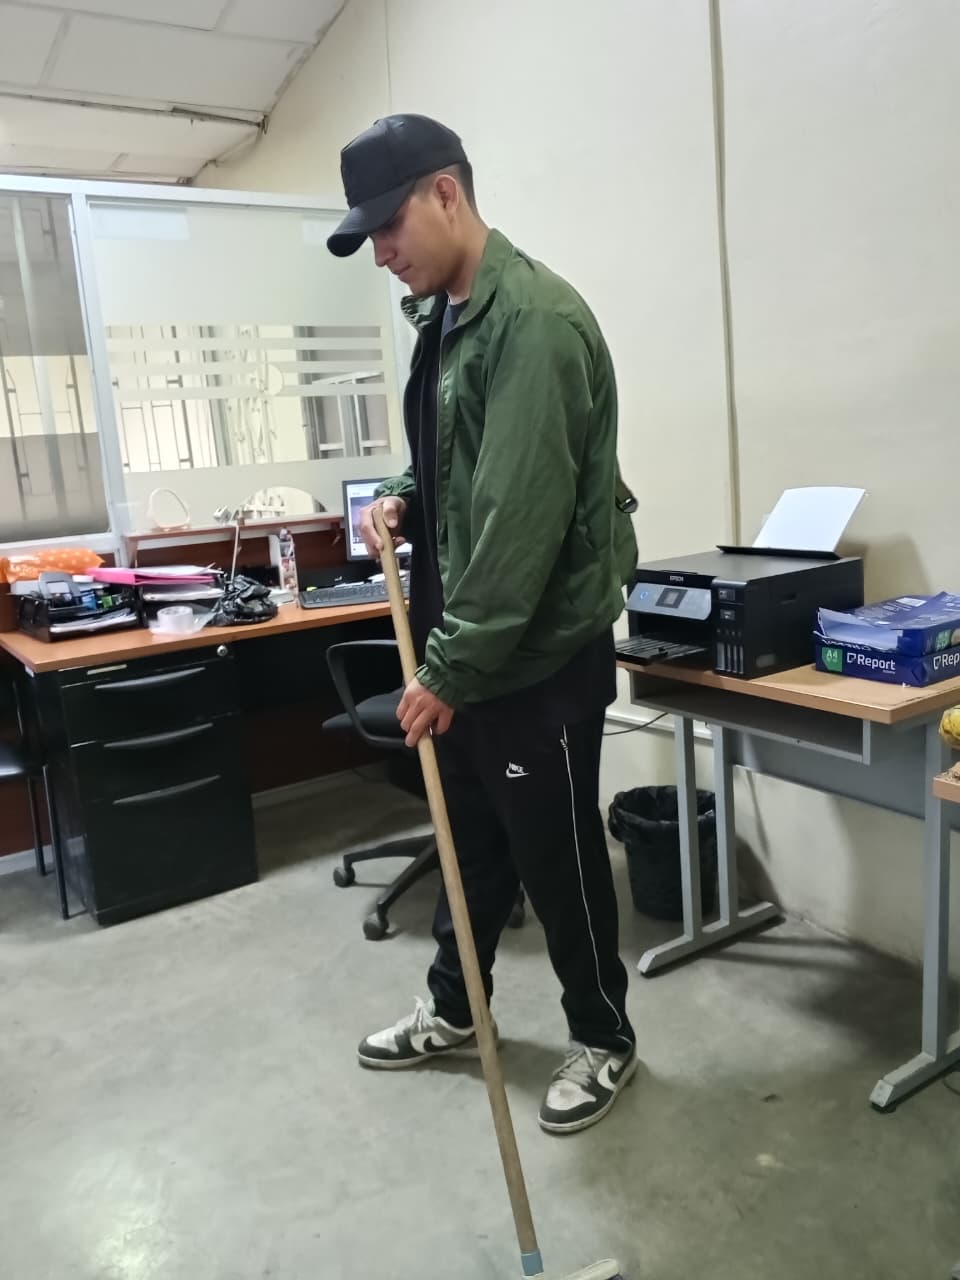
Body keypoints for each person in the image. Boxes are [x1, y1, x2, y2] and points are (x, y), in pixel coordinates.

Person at [327, 114, 640, 1134]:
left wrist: (447, 671)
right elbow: (457, 463)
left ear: (447, 193)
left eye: (389, 226)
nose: (382, 252)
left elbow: (516, 529)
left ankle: (604, 1036)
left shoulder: (534, 325)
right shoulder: (449, 318)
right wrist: (400, 494)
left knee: (557, 859)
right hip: (468, 646)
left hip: (534, 656)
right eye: (370, 236)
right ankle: (458, 1009)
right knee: (469, 850)